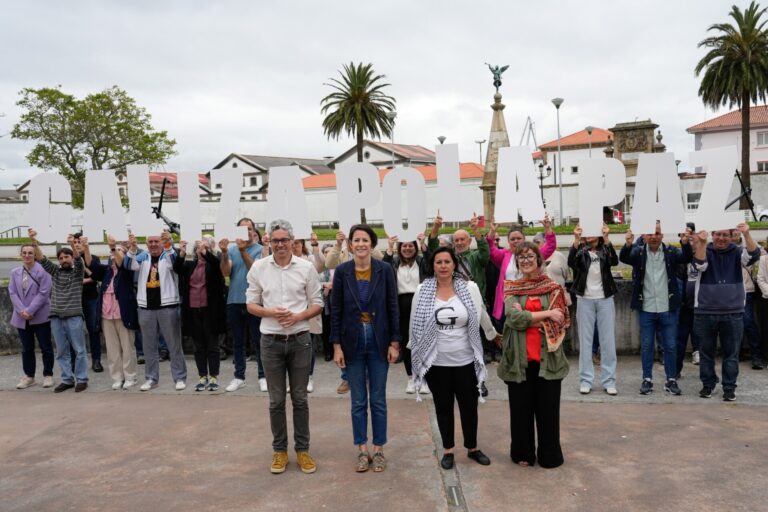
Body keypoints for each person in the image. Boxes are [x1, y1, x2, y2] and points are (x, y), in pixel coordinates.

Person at [246, 219, 323, 475]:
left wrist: (298, 316)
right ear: (269, 240)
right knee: (276, 401)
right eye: (275, 240)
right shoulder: (258, 268)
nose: (280, 244)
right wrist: (270, 312)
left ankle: (303, 450)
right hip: (270, 341)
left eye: (284, 240)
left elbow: (317, 303)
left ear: (292, 241)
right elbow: (250, 304)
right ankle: (279, 451)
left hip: (300, 340)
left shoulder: (306, 268)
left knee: (300, 399)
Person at [409, 247, 497, 469]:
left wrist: (492, 334)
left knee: (469, 406)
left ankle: (472, 448)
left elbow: (481, 312)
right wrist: (414, 349)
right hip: (437, 362)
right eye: (438, 262)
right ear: (433, 265)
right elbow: (414, 320)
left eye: (447, 261)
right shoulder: (423, 290)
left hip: (465, 360)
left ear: (454, 264)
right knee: (443, 406)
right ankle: (448, 450)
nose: (443, 266)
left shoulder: (469, 288)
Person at [330, 224, 400, 473]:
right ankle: (362, 449)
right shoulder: (341, 272)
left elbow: (393, 306)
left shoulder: (385, 270)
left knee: (378, 400)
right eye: (356, 240)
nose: (360, 244)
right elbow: (335, 311)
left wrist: (394, 342)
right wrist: (336, 346)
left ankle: (379, 449)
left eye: (365, 240)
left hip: (379, 339)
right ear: (350, 244)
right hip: (352, 341)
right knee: (358, 401)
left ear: (372, 244)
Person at [499, 241, 570, 468]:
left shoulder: (553, 288)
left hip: (547, 361)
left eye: (530, 256)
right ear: (517, 263)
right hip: (519, 360)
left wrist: (532, 317)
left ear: (539, 261)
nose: (526, 260)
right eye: (521, 258)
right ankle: (523, 453)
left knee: (548, 413)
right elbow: (513, 318)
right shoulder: (511, 287)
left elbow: (562, 320)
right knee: (520, 412)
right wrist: (546, 314)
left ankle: (550, 455)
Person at [619, 223, 692, 395]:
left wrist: (685, 243)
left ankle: (671, 379)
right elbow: (624, 258)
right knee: (646, 346)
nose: (654, 237)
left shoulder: (671, 252)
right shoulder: (638, 252)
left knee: (671, 345)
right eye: (650, 233)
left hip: (668, 306)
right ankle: (647, 379)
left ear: (663, 235)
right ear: (643, 235)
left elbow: (687, 257)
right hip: (646, 307)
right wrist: (628, 244)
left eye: (657, 233)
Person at [692, 224, 760, 401]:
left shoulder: (738, 252)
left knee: (731, 354)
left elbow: (754, 255)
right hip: (705, 311)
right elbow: (699, 265)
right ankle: (708, 384)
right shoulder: (704, 249)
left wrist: (746, 233)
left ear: (732, 237)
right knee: (706, 353)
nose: (721, 238)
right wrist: (701, 242)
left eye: (725, 235)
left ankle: (729, 387)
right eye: (717, 235)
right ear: (712, 235)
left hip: (733, 311)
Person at [124, 230, 187, 391]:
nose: (153, 244)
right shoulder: (143, 256)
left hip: (168, 306)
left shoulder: (168, 255)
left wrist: (168, 244)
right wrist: (132, 248)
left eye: (156, 241)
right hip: (146, 307)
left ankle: (179, 377)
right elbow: (128, 265)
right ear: (146, 244)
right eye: (150, 242)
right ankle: (151, 378)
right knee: (149, 345)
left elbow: (176, 264)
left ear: (162, 242)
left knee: (174, 344)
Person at [30, 229, 89, 393]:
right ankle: (67, 379)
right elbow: (41, 258)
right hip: (56, 317)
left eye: (66, 257)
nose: (63, 260)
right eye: (61, 258)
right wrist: (34, 241)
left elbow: (80, 262)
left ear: (71, 258)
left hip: (74, 317)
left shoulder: (77, 273)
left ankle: (82, 379)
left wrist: (72, 243)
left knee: (79, 350)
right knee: (61, 351)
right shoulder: (55, 272)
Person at [82, 235, 140, 390]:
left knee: (127, 347)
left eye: (120, 251)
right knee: (112, 349)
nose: (114, 254)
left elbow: (121, 263)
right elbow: (91, 265)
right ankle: (117, 377)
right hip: (106, 314)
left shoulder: (127, 270)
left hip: (123, 314)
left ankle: (130, 376)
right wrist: (86, 247)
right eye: (113, 252)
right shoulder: (107, 271)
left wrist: (114, 247)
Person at [568, 224, 619, 395]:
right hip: (585, 299)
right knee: (585, 341)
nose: (589, 236)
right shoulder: (581, 251)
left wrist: (606, 238)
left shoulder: (605, 249)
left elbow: (614, 261)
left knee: (608, 341)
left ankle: (609, 380)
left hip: (605, 298)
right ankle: (585, 380)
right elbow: (571, 263)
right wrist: (576, 240)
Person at [219, 218, 266, 392]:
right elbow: (225, 272)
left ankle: (263, 376)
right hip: (234, 300)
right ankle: (239, 377)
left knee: (259, 341)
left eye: (249, 229)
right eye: (242, 229)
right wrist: (224, 253)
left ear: (254, 231)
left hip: (255, 302)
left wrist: (243, 250)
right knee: (238, 342)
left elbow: (255, 270)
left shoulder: (261, 250)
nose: (246, 232)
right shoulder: (231, 250)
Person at [175, 237, 226, 392]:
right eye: (197, 247)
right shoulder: (191, 265)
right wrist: (182, 252)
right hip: (192, 310)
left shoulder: (214, 264)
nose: (200, 250)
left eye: (203, 247)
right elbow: (177, 268)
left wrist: (206, 252)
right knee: (198, 346)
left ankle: (214, 377)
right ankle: (202, 376)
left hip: (210, 311)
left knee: (212, 345)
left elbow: (218, 265)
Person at [384, 234, 429, 394]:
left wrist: (424, 244)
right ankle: (411, 379)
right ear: (400, 248)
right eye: (404, 246)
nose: (408, 248)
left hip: (421, 306)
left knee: (422, 343)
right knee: (406, 344)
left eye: (411, 245)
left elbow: (431, 265)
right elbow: (383, 266)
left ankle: (423, 379)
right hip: (400, 308)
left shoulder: (422, 262)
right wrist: (389, 247)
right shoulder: (395, 263)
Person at [9, 242, 53, 389]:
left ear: (35, 255)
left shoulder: (43, 271)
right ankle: (29, 376)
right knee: (26, 348)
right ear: (21, 254)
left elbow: (44, 293)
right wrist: (22, 310)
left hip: (40, 315)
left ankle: (48, 375)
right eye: (24, 253)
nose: (27, 255)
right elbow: (12, 292)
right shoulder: (15, 272)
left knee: (45, 347)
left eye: (30, 253)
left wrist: (30, 310)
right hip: (21, 316)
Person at [426, 211, 489, 296]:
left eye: (462, 239)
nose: (459, 243)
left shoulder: (476, 256)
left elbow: (484, 251)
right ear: (453, 243)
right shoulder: (449, 257)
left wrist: (475, 230)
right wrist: (436, 227)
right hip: (455, 298)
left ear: (469, 241)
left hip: (475, 297)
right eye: (456, 240)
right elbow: (433, 247)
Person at [731, 230, 765, 370]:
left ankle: (756, 356)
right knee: (732, 324)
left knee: (748, 322)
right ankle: (735, 354)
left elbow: (761, 253)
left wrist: (746, 239)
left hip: (747, 290)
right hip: (729, 292)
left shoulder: (747, 245)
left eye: (736, 232)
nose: (734, 234)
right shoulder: (722, 248)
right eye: (732, 232)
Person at [73, 233, 103, 373]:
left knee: (93, 330)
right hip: (74, 300)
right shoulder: (68, 257)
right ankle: (76, 361)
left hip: (91, 298)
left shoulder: (93, 258)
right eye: (75, 242)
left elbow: (96, 276)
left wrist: (83, 276)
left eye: (79, 241)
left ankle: (96, 360)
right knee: (74, 331)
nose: (77, 244)